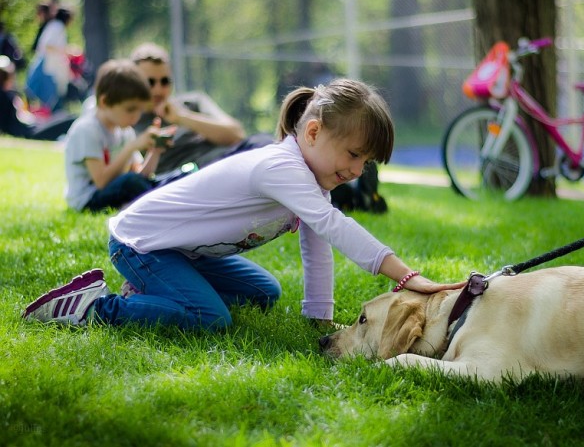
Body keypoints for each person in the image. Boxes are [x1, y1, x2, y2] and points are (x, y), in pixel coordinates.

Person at [22, 78, 465, 330]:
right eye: (353, 154)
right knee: (209, 318)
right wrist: (407, 275)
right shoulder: (280, 167)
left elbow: (317, 248)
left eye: (365, 162)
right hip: (140, 244)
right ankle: (92, 307)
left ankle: (153, 292)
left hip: (179, 252)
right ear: (312, 132)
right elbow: (336, 228)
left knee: (264, 293)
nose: (357, 171)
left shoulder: (313, 180)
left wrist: (319, 320)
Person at [129, 42, 267, 174]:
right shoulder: (129, 124)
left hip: (230, 156)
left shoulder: (193, 102)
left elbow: (236, 134)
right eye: (150, 82)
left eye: (165, 81)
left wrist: (182, 117)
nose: (158, 89)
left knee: (265, 142)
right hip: (192, 175)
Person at [63, 58, 167, 212]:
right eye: (130, 109)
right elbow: (101, 182)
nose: (136, 117)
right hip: (88, 200)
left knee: (156, 179)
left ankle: (164, 190)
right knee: (131, 182)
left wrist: (155, 151)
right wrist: (131, 148)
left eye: (140, 110)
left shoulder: (124, 130)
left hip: (115, 191)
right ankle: (161, 198)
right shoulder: (87, 130)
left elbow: (140, 175)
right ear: (104, 102)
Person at [0, 55, 74, 140]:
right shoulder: (8, 96)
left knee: (64, 117)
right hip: (30, 132)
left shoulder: (9, 95)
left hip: (31, 128)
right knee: (69, 119)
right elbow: (22, 118)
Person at [26, 7, 73, 111]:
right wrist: (66, 50)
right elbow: (48, 45)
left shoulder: (53, 25)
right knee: (49, 97)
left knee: (46, 97)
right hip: (47, 66)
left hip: (47, 65)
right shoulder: (58, 26)